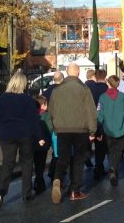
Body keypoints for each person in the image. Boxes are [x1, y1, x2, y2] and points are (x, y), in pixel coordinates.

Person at [47, 63, 97, 203]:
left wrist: (55, 127)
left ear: (67, 73)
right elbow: (90, 111)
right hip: (80, 129)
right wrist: (92, 130)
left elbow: (51, 111)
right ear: (78, 72)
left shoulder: (57, 90)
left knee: (63, 158)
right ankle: (75, 191)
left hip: (62, 129)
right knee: (79, 159)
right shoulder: (83, 88)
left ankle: (57, 179)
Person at [0, 71, 43, 206]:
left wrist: (3, 129)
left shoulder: (3, 98)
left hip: (7, 134)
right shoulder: (27, 99)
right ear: (23, 84)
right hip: (24, 134)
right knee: (27, 163)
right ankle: (26, 193)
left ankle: (0, 193)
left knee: (7, 163)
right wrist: (39, 136)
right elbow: (34, 120)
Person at [97, 75, 124, 186]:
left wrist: (100, 126)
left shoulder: (102, 97)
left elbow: (99, 114)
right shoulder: (122, 96)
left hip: (107, 129)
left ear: (108, 83)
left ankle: (112, 167)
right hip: (120, 129)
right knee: (118, 151)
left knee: (110, 150)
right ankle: (114, 168)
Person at [85, 70, 109, 177]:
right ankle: (99, 165)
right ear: (105, 77)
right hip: (103, 122)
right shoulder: (107, 90)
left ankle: (91, 162)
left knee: (91, 143)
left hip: (90, 120)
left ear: (95, 76)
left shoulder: (89, 89)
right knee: (101, 146)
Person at [32, 95, 52, 194]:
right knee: (41, 165)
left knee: (36, 164)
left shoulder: (31, 116)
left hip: (33, 144)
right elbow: (49, 128)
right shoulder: (45, 116)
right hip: (42, 144)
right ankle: (39, 182)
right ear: (42, 105)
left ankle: (38, 182)